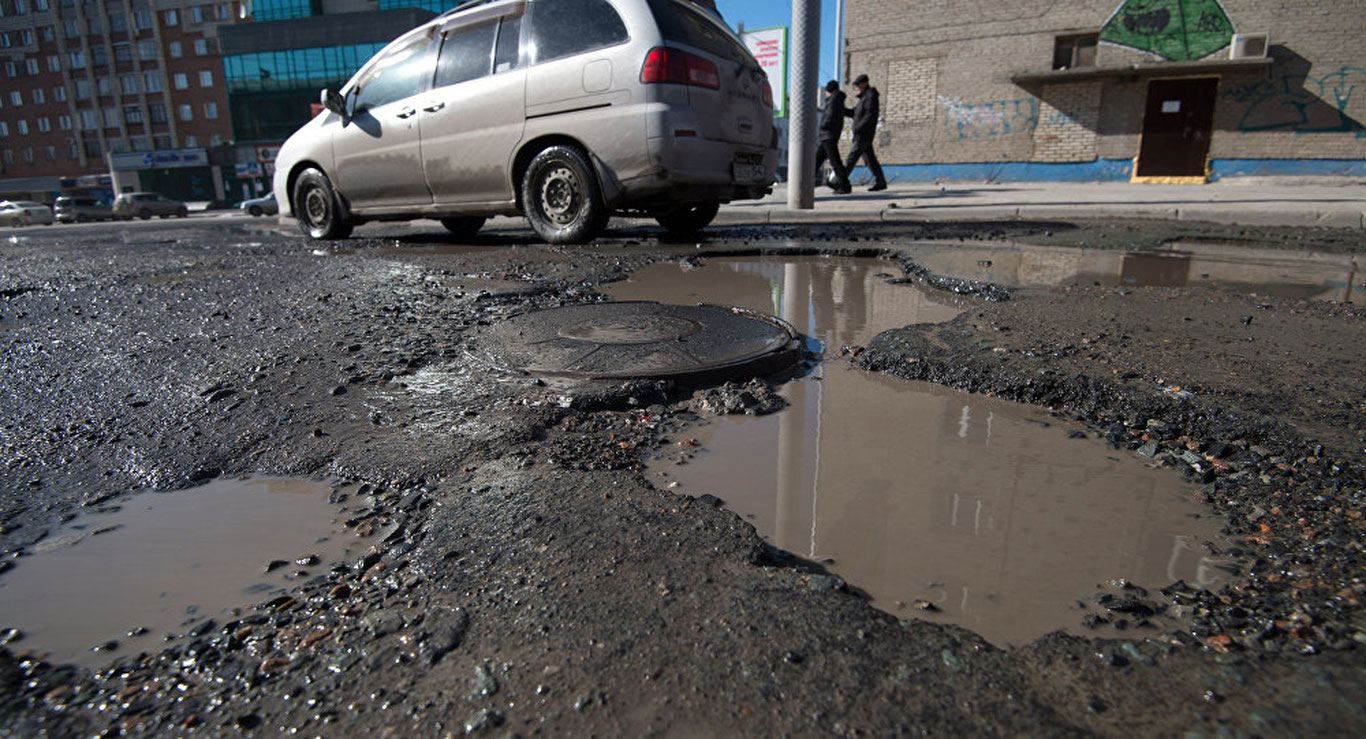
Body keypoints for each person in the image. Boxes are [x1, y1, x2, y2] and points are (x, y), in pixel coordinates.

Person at [843, 73, 887, 191]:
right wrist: (842, 110)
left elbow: (869, 115)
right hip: (864, 133)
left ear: (863, 84)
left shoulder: (870, 96)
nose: (856, 89)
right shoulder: (864, 98)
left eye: (856, 86)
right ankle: (881, 181)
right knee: (870, 160)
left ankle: (840, 182)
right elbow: (854, 113)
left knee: (851, 158)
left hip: (863, 134)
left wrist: (858, 128)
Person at [814, 80, 852, 194]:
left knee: (835, 161)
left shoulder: (833, 100)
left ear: (828, 91)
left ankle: (845, 185)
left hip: (828, 134)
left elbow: (829, 116)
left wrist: (823, 126)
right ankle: (806, 182)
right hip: (830, 134)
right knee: (817, 159)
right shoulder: (838, 100)